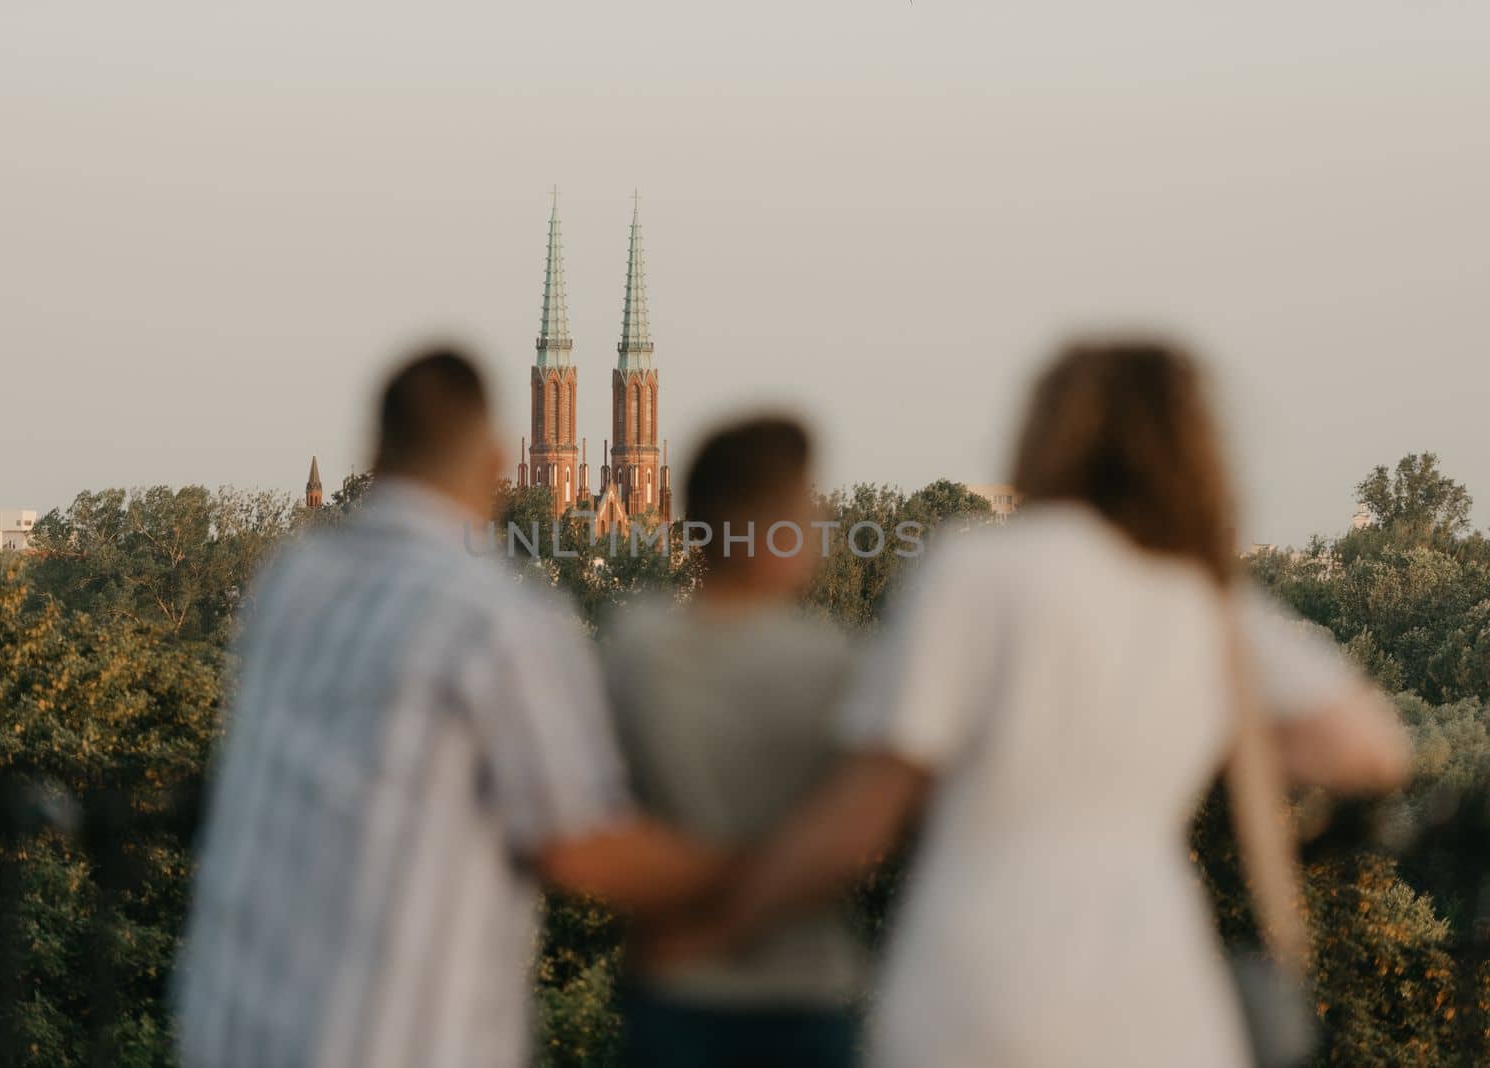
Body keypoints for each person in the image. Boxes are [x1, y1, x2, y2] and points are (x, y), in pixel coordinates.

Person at [655, 339, 1411, 1067]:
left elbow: (863, 812)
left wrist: (726, 916)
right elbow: (1368, 748)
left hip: (979, 983)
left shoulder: (979, 567)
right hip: (1155, 991)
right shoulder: (1202, 592)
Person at [174, 347, 727, 1068]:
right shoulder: (494, 615)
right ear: (501, 460)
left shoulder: (288, 585)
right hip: (394, 1041)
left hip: (232, 1035)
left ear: (372, 453)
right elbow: (579, 839)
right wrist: (758, 871)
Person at [602, 416, 867, 1068]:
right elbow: (858, 833)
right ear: (772, 526)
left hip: (672, 984)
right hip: (802, 993)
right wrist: (756, 895)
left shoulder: (634, 645)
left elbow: (592, 815)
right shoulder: (828, 660)